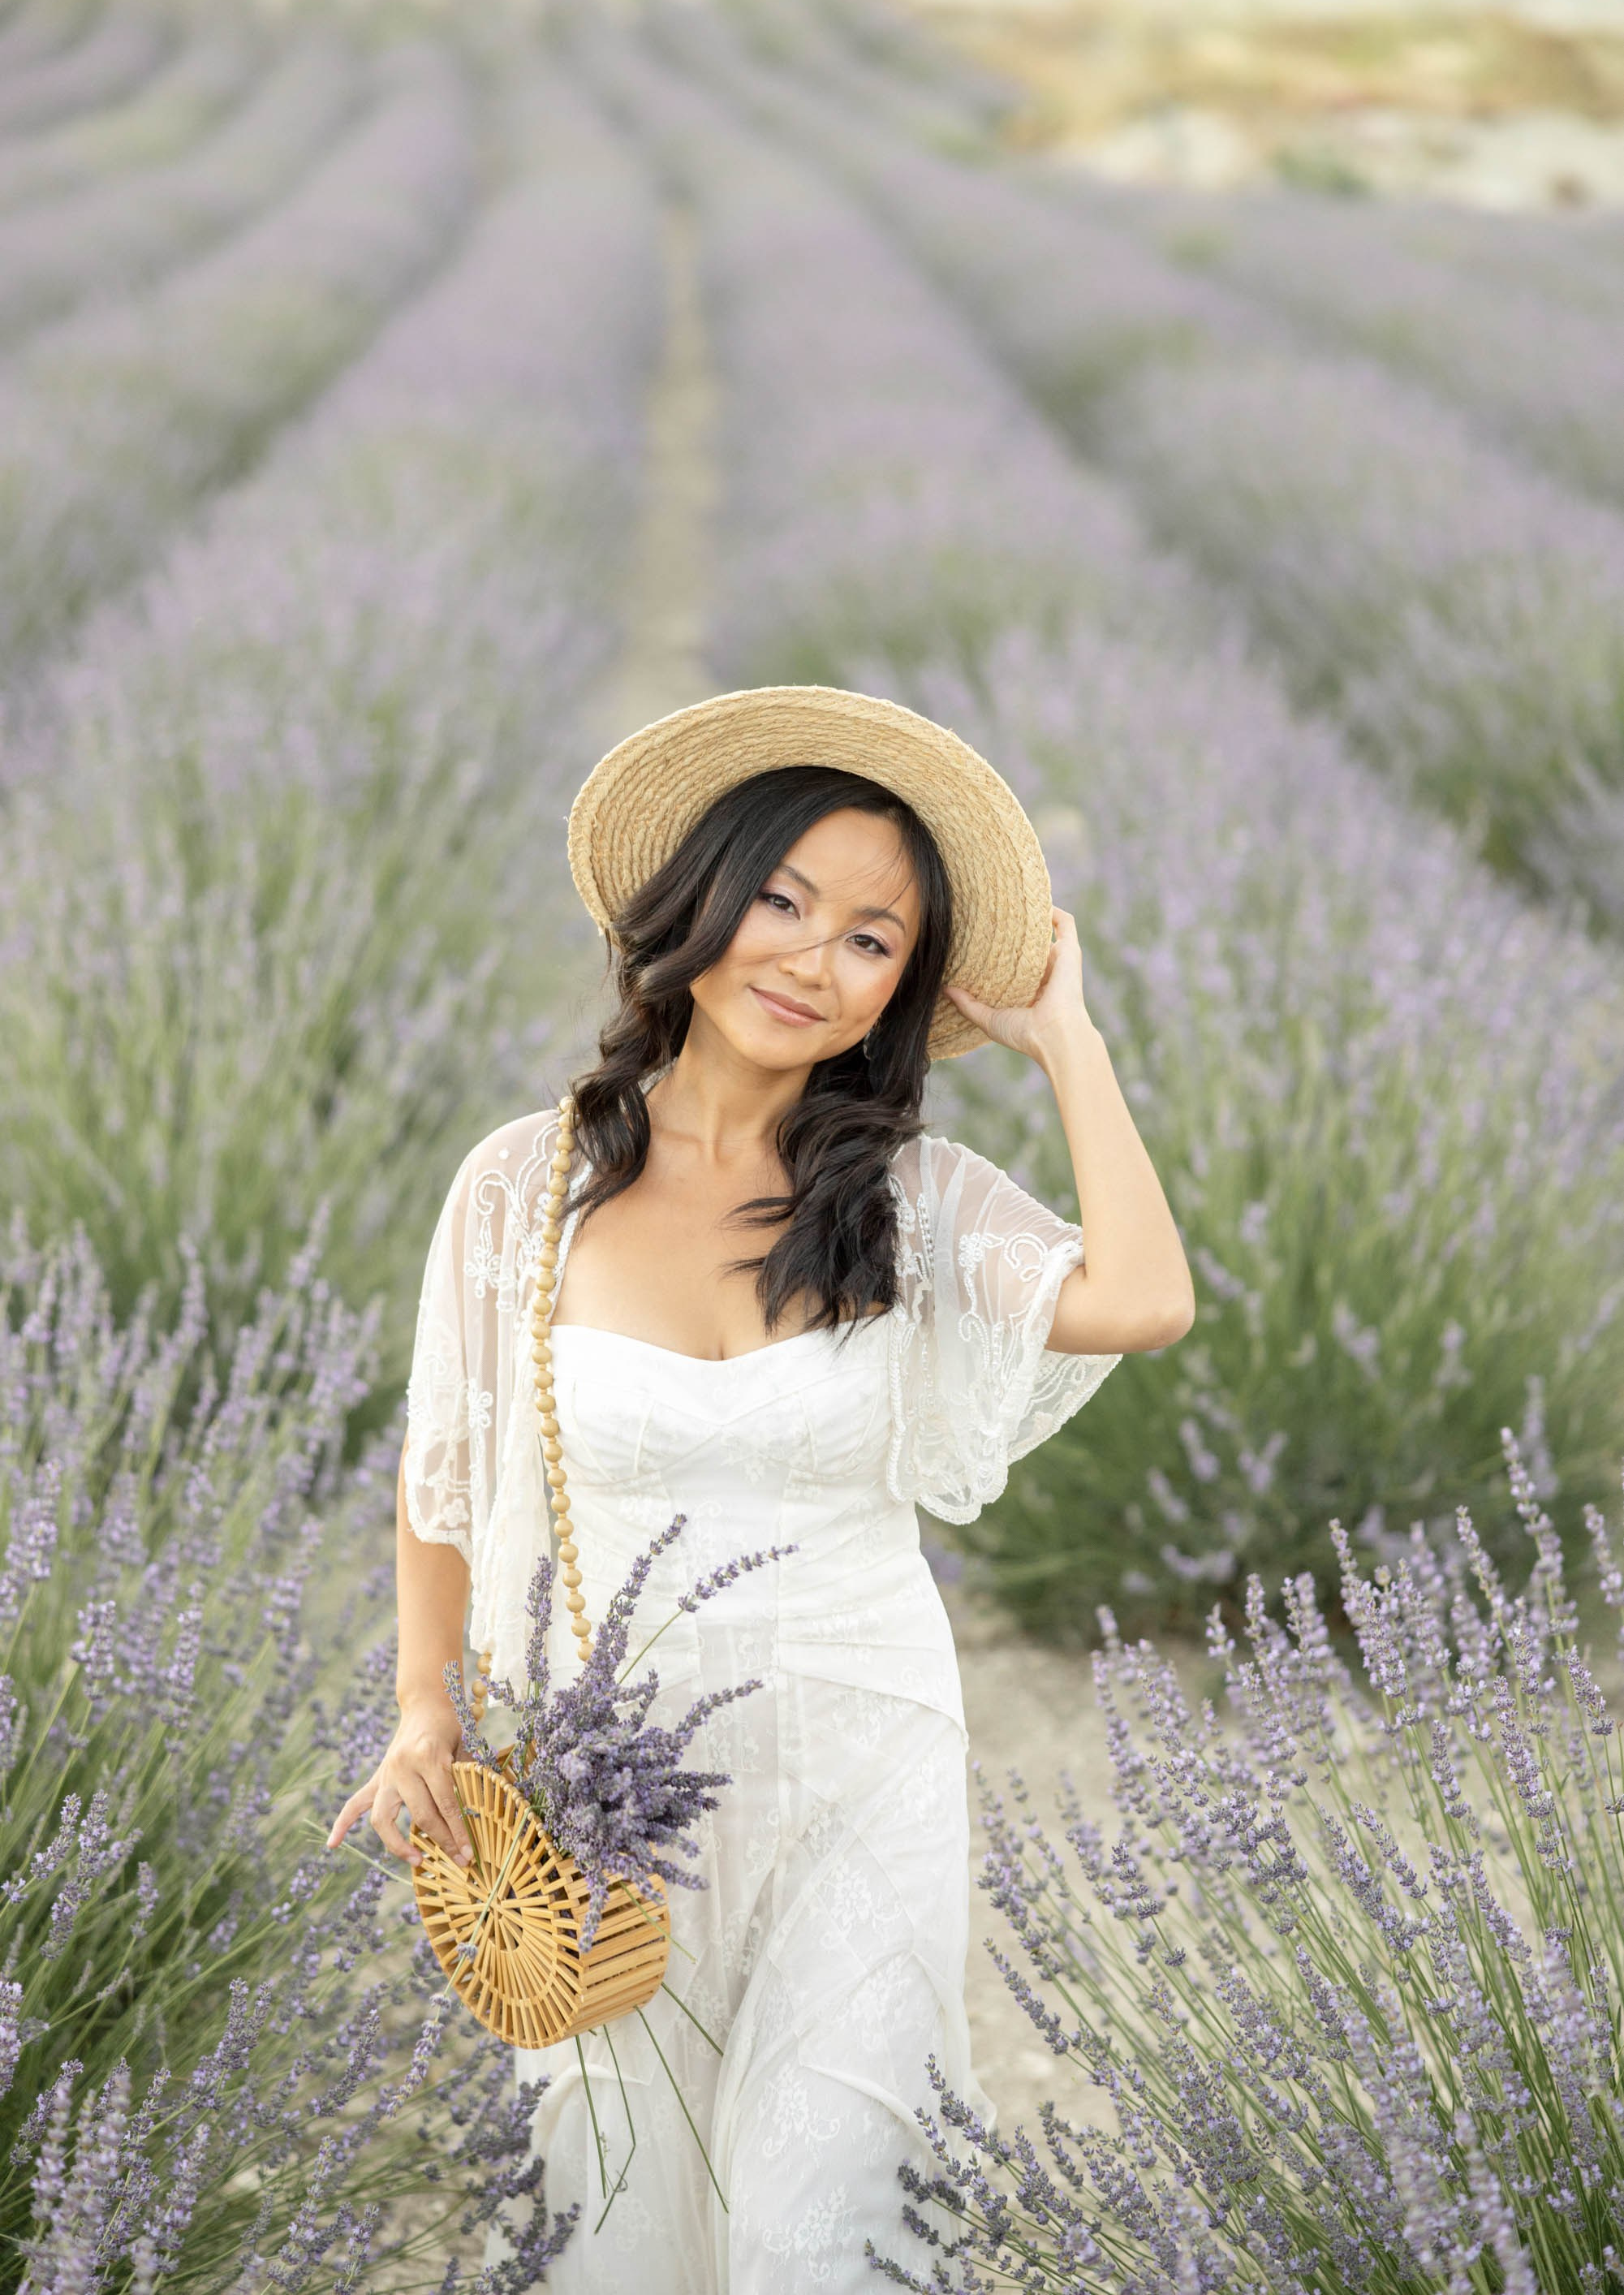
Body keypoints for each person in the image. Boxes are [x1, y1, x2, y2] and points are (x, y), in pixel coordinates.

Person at [327, 684, 1195, 2291]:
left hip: (857, 1763)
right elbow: (441, 1469)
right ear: (697, 910)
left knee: (828, 2221)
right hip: (600, 1787)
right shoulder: (525, 1186)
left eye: (871, 939)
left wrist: (1067, 1040)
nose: (811, 958)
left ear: (901, 991)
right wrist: (417, 1714)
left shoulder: (913, 1202)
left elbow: (1143, 1299)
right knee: (613, 2219)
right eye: (782, 901)